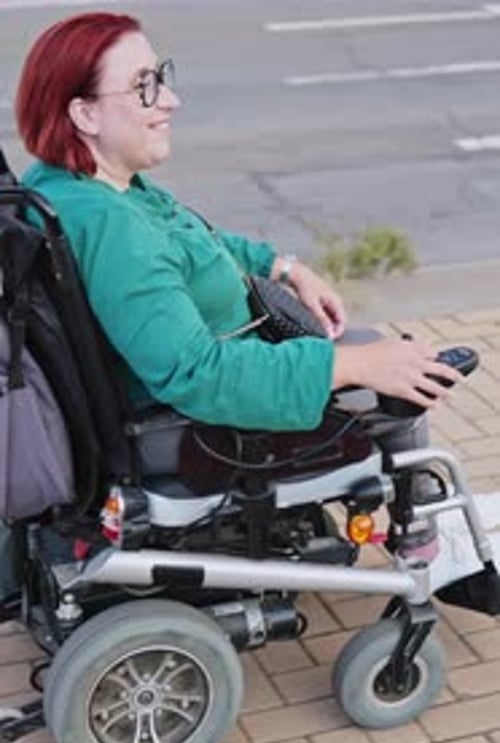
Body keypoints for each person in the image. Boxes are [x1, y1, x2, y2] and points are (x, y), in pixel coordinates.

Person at [0, 11, 462, 600]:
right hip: (186, 424)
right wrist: (353, 368)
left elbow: (196, 242)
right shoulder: (117, 232)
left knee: (371, 351)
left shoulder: (73, 186)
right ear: (84, 113)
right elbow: (196, 375)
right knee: (397, 380)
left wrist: (284, 267)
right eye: (144, 86)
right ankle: (421, 549)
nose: (171, 99)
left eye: (161, 76)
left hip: (187, 383)